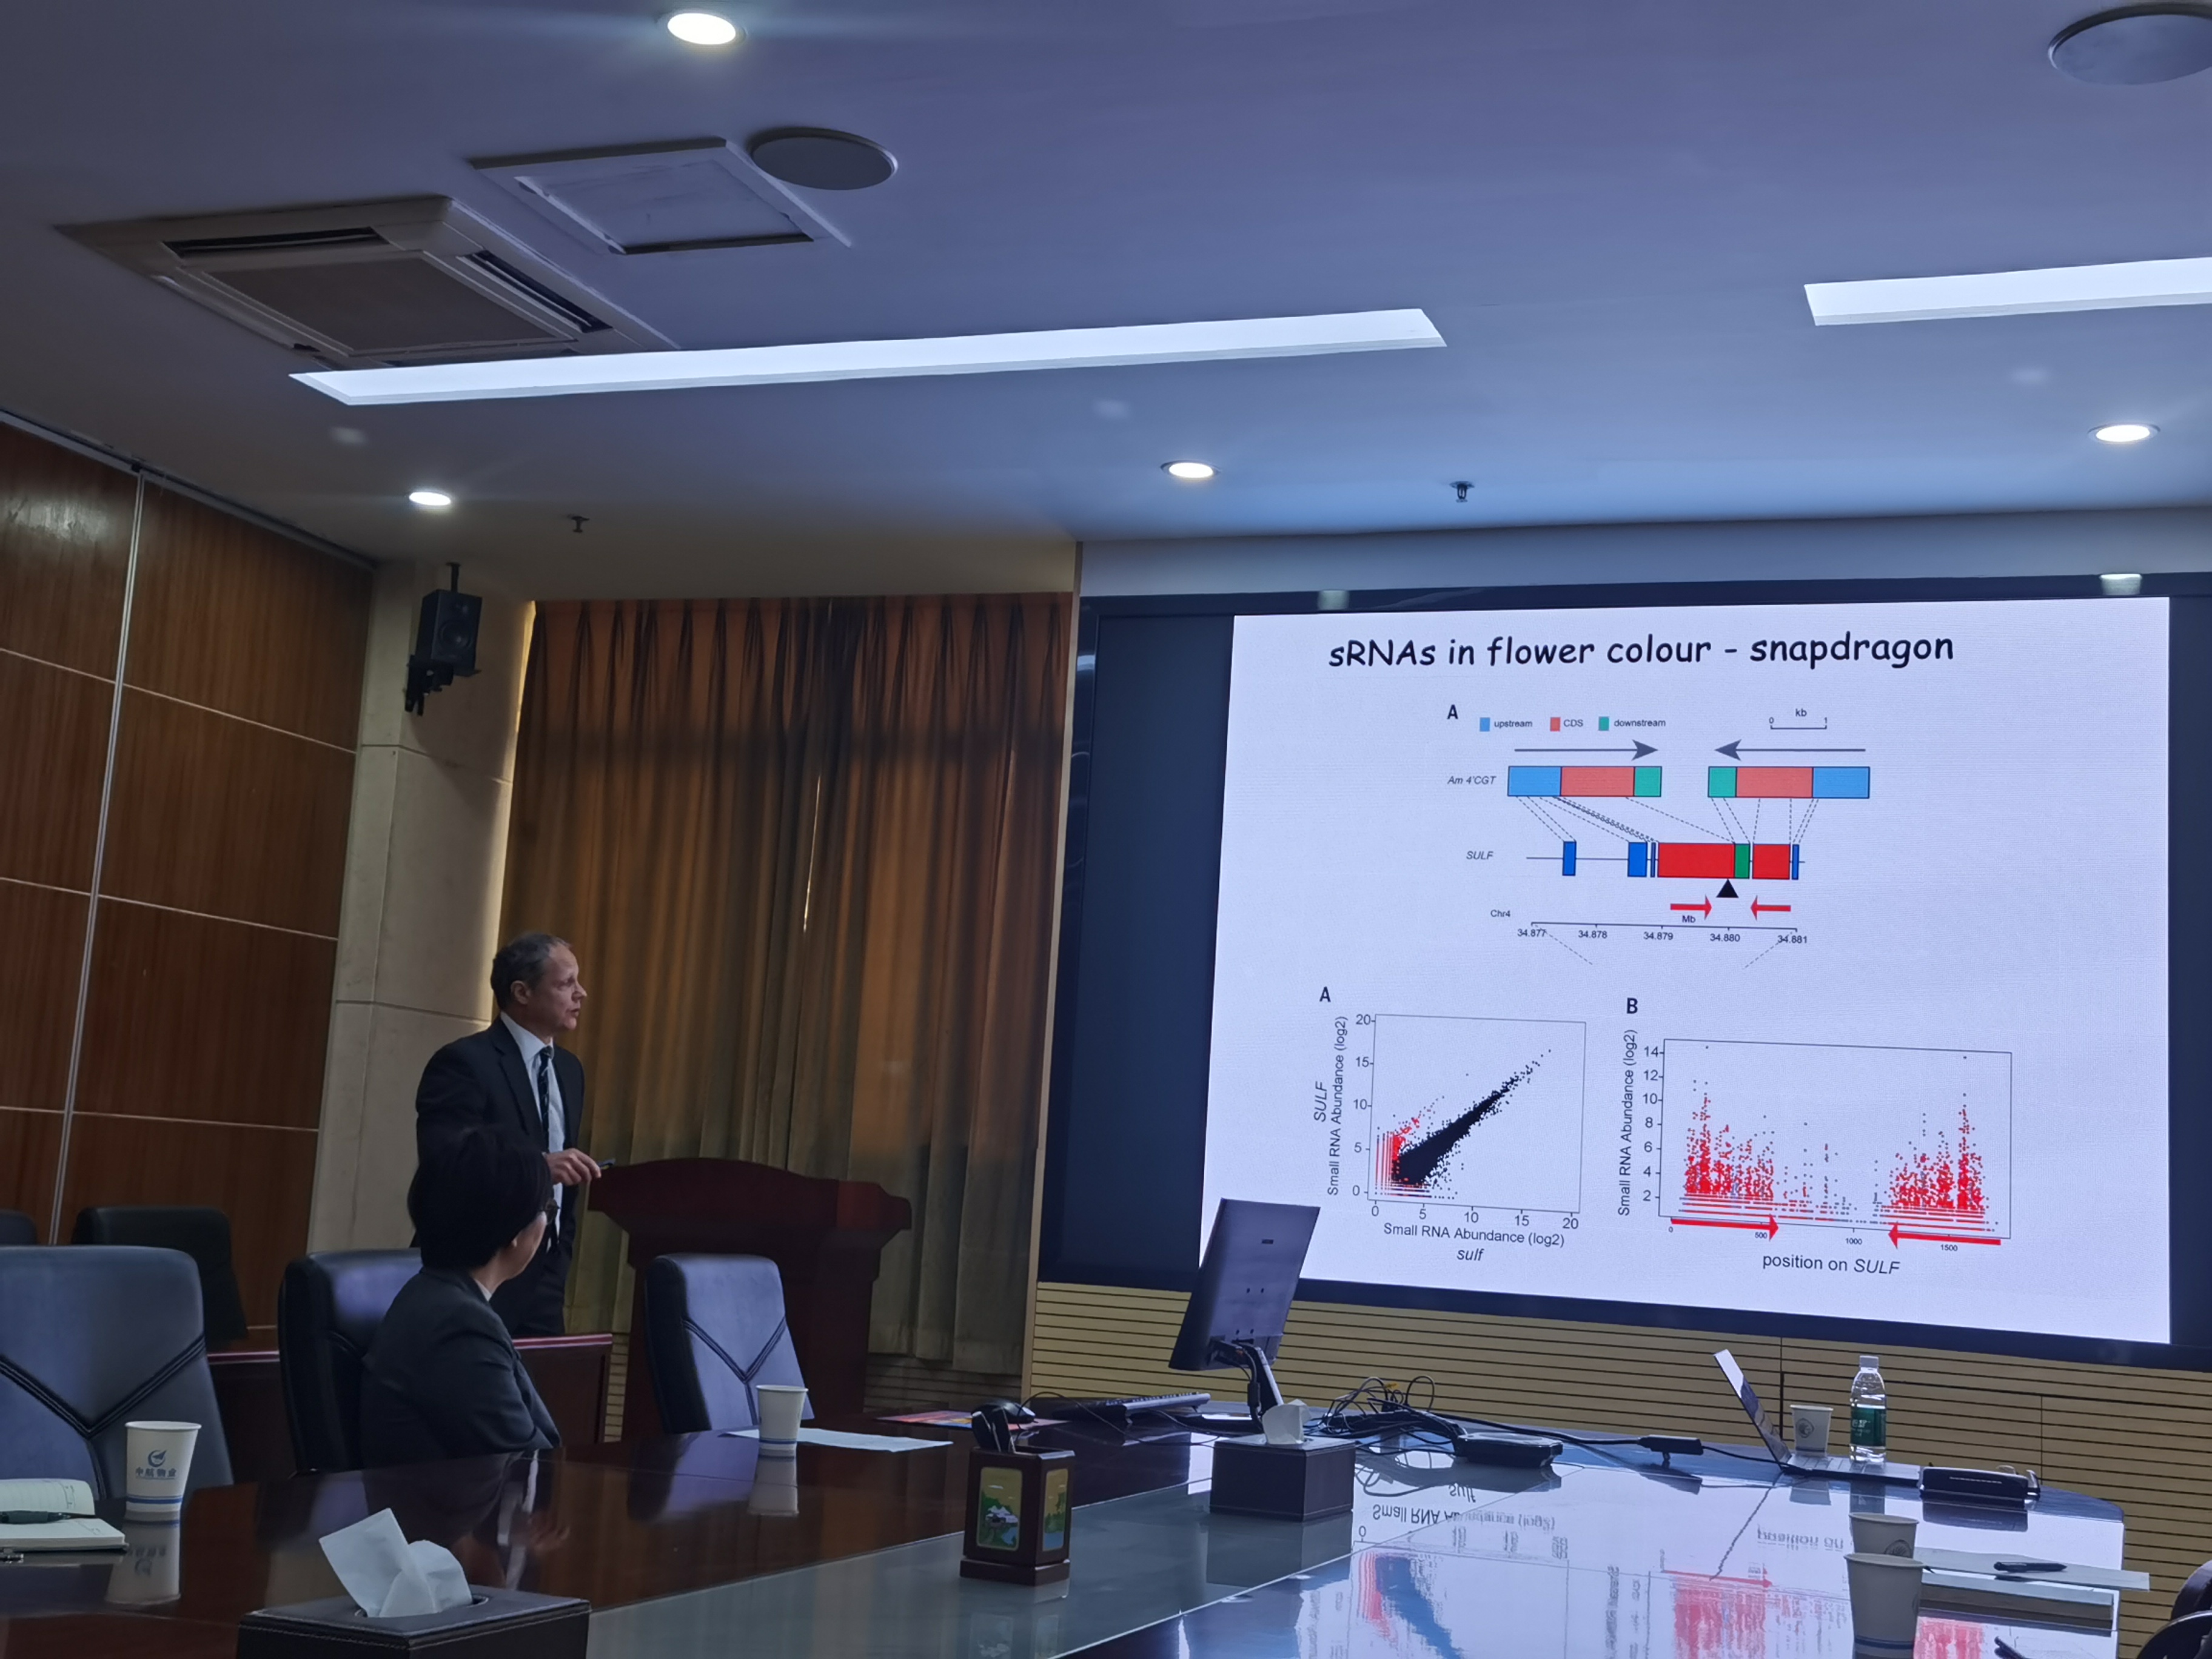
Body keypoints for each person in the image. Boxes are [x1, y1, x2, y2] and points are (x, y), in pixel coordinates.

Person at [415, 933, 601, 1336]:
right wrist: (537, 1167)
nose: (581, 993)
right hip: (477, 1269)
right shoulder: (464, 1062)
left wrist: (558, 1251)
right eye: (566, 983)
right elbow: (445, 1163)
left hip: (547, 1274)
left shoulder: (570, 1069)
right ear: (522, 992)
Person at [360, 1127, 562, 1467]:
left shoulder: (437, 1297)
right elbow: (529, 1465)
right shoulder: (460, 1326)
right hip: (443, 1504)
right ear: (515, 1232)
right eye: (547, 1210)